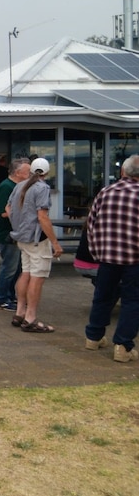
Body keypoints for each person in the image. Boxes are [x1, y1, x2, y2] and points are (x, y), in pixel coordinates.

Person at [83, 155, 139, 362]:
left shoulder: (105, 192)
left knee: (103, 296)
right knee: (132, 301)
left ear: (123, 172)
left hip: (107, 257)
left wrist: (96, 252)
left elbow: (91, 225)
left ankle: (93, 337)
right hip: (134, 259)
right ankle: (123, 346)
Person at [6, 157, 63, 333]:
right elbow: (42, 217)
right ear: (46, 172)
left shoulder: (19, 185)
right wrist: (55, 242)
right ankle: (30, 318)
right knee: (37, 278)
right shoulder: (42, 188)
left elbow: (8, 209)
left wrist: (19, 225)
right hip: (37, 240)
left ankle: (20, 312)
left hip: (22, 238)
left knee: (26, 273)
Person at [0, 158, 30, 311]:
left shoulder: (16, 186)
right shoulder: (6, 187)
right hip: (8, 233)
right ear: (18, 172)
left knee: (17, 268)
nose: (30, 174)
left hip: (16, 233)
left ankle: (10, 296)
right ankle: (1, 298)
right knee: (9, 267)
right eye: (27, 171)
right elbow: (3, 212)